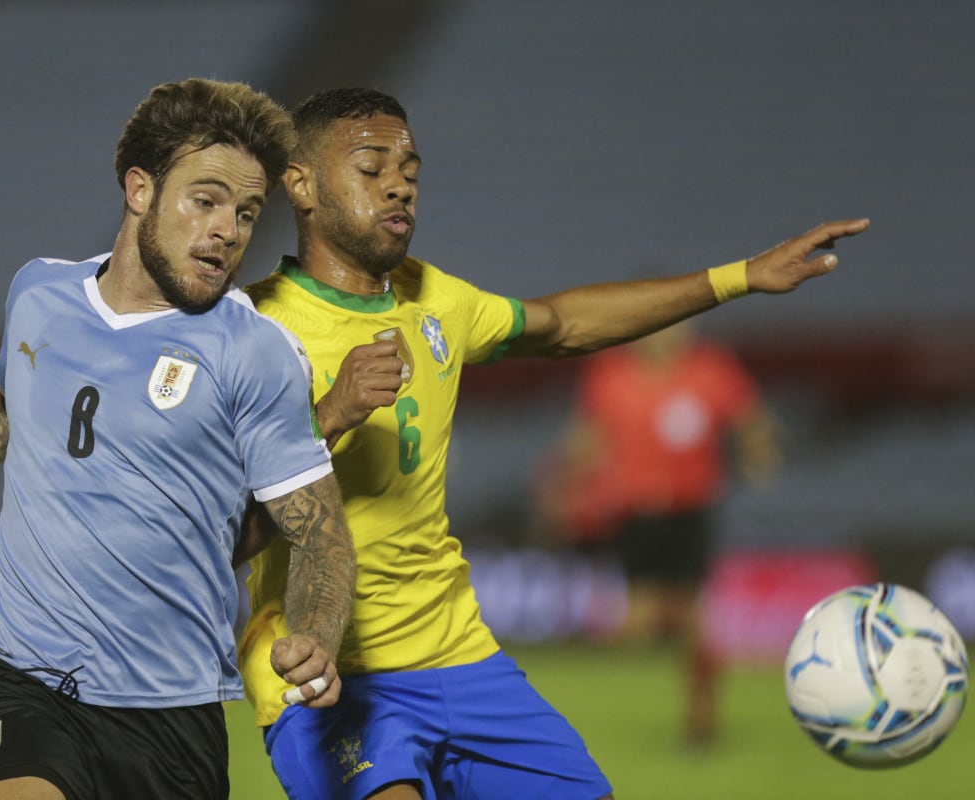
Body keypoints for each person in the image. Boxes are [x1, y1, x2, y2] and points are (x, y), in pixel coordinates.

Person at [234, 87, 868, 800]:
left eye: (409, 171)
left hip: (459, 658)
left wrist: (741, 277)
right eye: (371, 167)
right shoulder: (250, 330)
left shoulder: (434, 299)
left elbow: (563, 325)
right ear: (301, 184)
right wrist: (331, 414)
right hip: (325, 669)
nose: (398, 186)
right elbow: (220, 534)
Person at [0, 78, 357, 800]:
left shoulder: (255, 352)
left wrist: (317, 634)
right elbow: (4, 400)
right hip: (21, 678)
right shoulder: (39, 293)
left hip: (170, 713)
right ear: (140, 190)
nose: (228, 230)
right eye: (205, 200)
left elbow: (318, 532)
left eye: (246, 212)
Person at [534, 318, 781, 746]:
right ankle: (579, 692)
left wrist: (758, 451)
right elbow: (590, 436)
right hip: (636, 512)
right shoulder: (611, 374)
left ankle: (701, 719)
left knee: (692, 618)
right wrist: (567, 480)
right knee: (642, 618)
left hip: (690, 511)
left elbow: (749, 418)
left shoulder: (711, 369)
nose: (666, 334)